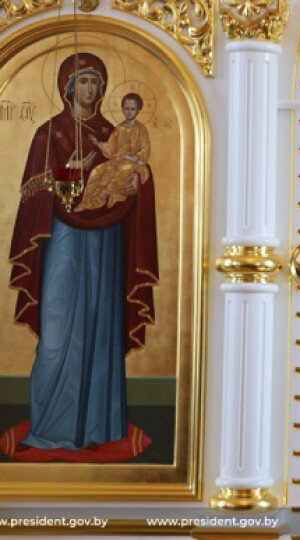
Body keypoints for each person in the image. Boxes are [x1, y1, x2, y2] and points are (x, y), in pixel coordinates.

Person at [8, 53, 159, 453]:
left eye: (96, 82)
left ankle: (98, 428)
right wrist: (70, 176)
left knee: (100, 327)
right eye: (83, 81)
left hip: (105, 242)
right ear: (68, 86)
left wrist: (135, 184)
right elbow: (36, 195)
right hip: (63, 239)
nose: (90, 88)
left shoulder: (114, 133)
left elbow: (134, 177)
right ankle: (50, 427)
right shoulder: (49, 134)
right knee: (57, 330)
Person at [76, 92, 151, 212]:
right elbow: (111, 148)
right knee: (97, 171)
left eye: (132, 109)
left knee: (125, 169)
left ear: (138, 110)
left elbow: (145, 151)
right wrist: (97, 143)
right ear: (122, 109)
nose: (129, 112)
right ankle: (86, 202)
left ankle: (106, 193)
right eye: (127, 108)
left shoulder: (141, 130)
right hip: (117, 162)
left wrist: (133, 158)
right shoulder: (119, 129)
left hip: (134, 164)